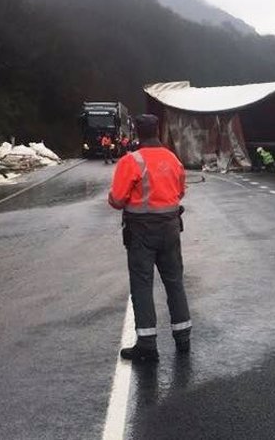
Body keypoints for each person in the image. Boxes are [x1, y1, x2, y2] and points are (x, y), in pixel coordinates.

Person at [108, 114, 191, 363]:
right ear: (158, 130)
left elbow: (117, 199)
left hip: (141, 232)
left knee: (142, 285)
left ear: (137, 132)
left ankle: (147, 345)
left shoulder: (131, 161)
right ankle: (183, 338)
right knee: (174, 281)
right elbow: (180, 191)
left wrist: (116, 197)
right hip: (170, 228)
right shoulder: (172, 159)